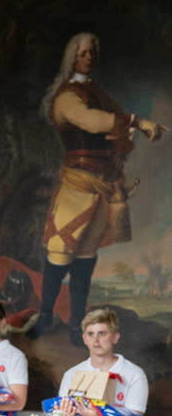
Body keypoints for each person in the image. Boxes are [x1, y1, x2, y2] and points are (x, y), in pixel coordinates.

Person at [29, 32, 164, 343]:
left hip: (104, 184)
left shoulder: (96, 92)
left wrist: (130, 127)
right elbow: (92, 121)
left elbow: (113, 122)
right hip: (78, 184)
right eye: (83, 53)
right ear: (72, 57)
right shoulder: (67, 97)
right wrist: (137, 122)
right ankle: (46, 316)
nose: (89, 58)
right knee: (60, 250)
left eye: (92, 53)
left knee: (86, 255)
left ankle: (77, 324)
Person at [57, 308, 148, 416]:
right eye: (90, 334)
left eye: (102, 333)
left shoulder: (134, 374)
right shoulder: (71, 374)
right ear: (84, 338)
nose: (96, 340)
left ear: (115, 337)